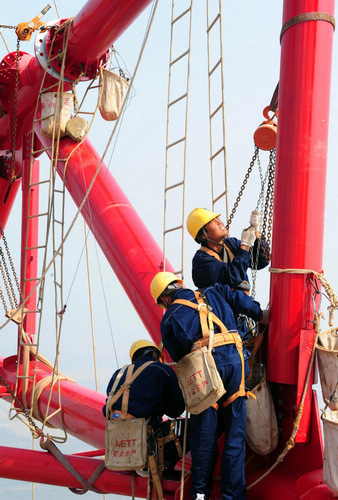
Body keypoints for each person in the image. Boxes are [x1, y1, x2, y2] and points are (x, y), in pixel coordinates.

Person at [150, 271, 268, 500]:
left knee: (204, 433)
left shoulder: (170, 317)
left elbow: (177, 354)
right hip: (236, 363)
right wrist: (260, 316)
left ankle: (200, 493)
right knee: (235, 435)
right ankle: (233, 495)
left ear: (164, 299)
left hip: (205, 369)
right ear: (179, 285)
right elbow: (243, 303)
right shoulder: (214, 290)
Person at [102, 339, 186, 475]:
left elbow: (108, 408)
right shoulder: (162, 370)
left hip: (119, 440)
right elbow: (176, 410)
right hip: (149, 441)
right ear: (154, 354)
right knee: (193, 426)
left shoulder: (118, 374)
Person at [186, 207, 269, 291]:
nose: (219, 222)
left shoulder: (231, 244)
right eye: (213, 221)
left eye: (217, 218)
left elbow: (261, 261)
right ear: (203, 235)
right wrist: (245, 246)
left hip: (241, 302)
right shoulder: (201, 261)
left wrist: (256, 233)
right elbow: (232, 278)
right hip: (220, 303)